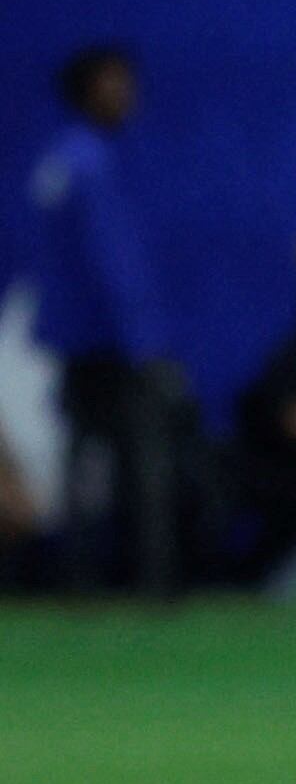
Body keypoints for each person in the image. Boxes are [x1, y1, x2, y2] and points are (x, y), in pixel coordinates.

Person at [20, 44, 191, 596]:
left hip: (74, 340)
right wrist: (146, 343)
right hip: (113, 344)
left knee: (82, 459)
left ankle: (78, 578)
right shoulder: (91, 164)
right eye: (115, 84)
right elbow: (112, 262)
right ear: (88, 90)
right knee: (144, 460)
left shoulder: (58, 161)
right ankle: (153, 582)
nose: (127, 95)